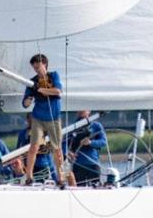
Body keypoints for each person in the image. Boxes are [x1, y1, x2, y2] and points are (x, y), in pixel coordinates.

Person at [22, 53, 66, 186]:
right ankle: (28, 176)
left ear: (44, 64)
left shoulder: (53, 76)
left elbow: (58, 91)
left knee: (57, 148)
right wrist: (29, 99)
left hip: (54, 118)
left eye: (38, 67)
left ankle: (61, 176)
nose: (37, 70)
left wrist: (40, 89)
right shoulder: (32, 82)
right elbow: (25, 104)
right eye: (35, 68)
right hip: (38, 118)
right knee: (34, 146)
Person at [65, 110, 107, 186]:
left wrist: (90, 142)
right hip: (78, 165)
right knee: (79, 190)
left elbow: (103, 142)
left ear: (89, 111)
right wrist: (68, 152)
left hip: (93, 164)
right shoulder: (72, 127)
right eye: (79, 108)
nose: (81, 110)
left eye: (84, 108)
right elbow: (63, 143)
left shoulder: (96, 126)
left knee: (95, 190)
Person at [17, 113, 56, 182]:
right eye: (29, 119)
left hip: (41, 165)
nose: (31, 121)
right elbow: (18, 150)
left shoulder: (45, 132)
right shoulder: (23, 134)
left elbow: (49, 149)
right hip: (27, 166)